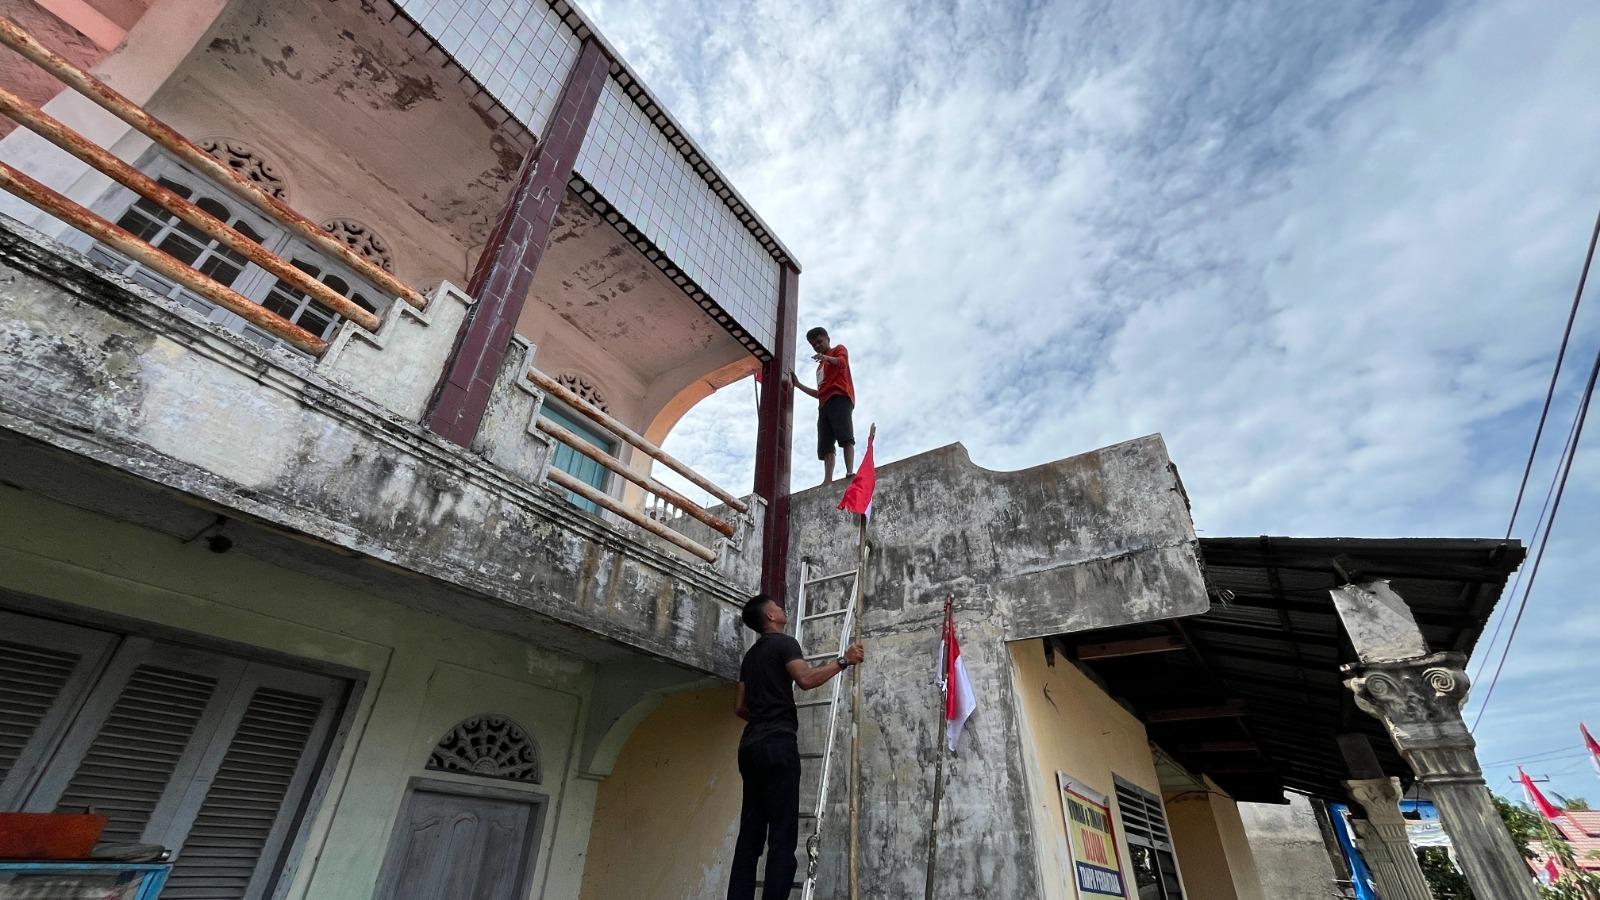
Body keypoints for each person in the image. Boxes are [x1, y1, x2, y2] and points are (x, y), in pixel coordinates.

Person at [728, 593, 865, 900]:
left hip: (749, 747)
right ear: (770, 617)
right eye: (776, 606)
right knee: (781, 836)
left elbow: (739, 707)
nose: (781, 608)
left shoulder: (750, 658)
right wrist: (844, 660)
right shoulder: (784, 643)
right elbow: (805, 679)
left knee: (749, 838)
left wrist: (763, 713)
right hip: (777, 744)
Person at [793, 326, 855, 484]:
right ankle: (827, 479)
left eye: (819, 342)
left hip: (840, 397)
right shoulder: (819, 368)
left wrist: (827, 358)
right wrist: (799, 385)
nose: (817, 346)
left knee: (845, 436)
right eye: (814, 345)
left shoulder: (838, 350)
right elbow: (819, 394)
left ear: (828, 338)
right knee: (826, 444)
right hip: (824, 405)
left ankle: (849, 471)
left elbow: (842, 363)